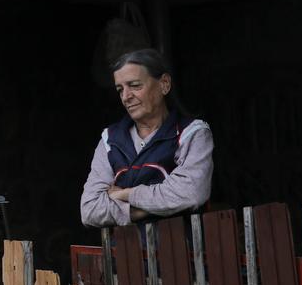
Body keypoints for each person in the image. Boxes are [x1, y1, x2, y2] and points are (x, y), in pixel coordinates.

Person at [80, 49, 213, 227]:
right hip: (126, 253)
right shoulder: (110, 140)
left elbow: (191, 193)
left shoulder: (192, 133)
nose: (126, 97)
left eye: (135, 85)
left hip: (180, 251)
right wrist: (140, 211)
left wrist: (125, 194)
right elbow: (89, 211)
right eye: (120, 89)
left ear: (164, 84)